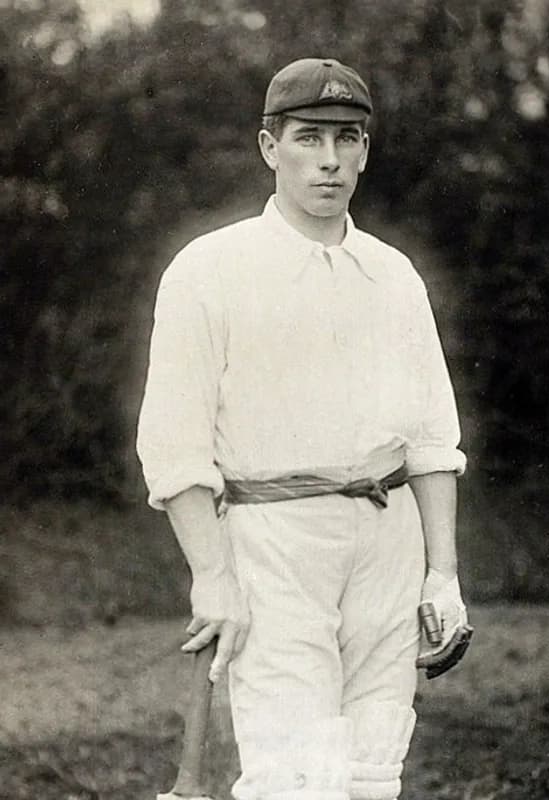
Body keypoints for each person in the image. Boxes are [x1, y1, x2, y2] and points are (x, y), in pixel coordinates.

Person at [137, 57, 470, 800]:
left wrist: (442, 575)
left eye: (347, 139)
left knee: (372, 772)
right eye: (309, 138)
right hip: (274, 543)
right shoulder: (209, 270)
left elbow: (431, 442)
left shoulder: (394, 275)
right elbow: (174, 446)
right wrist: (213, 577)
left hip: (389, 542)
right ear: (269, 147)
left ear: (365, 151)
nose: (329, 160)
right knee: (296, 779)